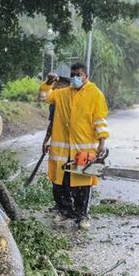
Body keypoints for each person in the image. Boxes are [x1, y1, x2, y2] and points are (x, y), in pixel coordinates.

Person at [44, 62, 109, 230]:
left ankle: (82, 216)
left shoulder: (95, 94)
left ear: (86, 76)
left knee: (82, 184)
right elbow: (44, 96)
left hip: (83, 149)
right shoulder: (62, 93)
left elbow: (99, 119)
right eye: (73, 75)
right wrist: (48, 82)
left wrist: (102, 141)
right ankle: (65, 212)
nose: (75, 78)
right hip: (61, 151)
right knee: (60, 184)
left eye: (78, 75)